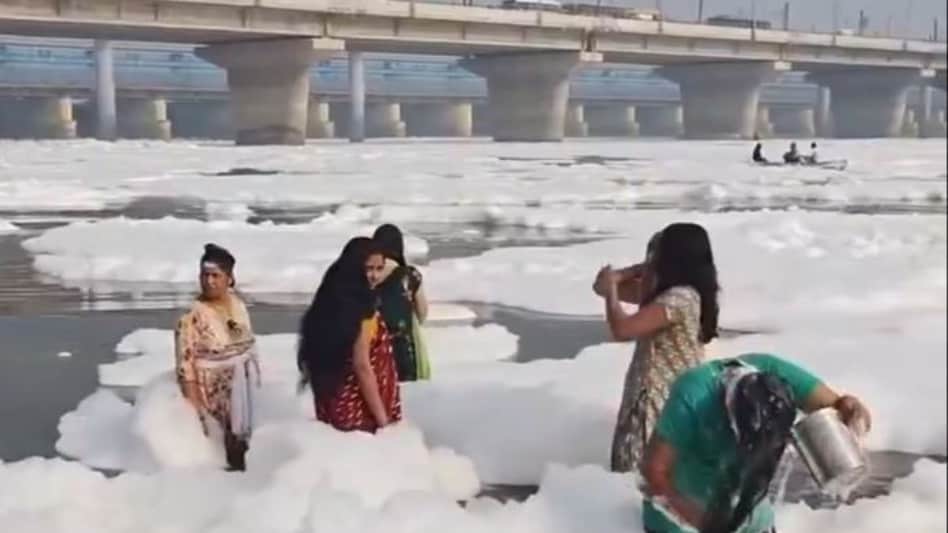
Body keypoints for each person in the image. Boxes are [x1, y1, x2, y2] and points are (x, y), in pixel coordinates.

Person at [640, 353, 872, 533]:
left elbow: (836, 405)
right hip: (682, 524)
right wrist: (694, 517)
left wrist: (851, 410)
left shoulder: (773, 373)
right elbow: (653, 471)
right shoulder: (694, 393)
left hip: (753, 522)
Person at [594, 223, 720, 472]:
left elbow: (622, 329)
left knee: (646, 470)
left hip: (662, 397)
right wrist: (631, 272)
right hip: (650, 394)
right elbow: (600, 286)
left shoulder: (681, 298)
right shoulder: (664, 294)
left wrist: (612, 292)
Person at [297, 237, 402, 433]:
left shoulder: (329, 299)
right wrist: (383, 420)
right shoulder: (360, 310)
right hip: (358, 407)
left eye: (379, 268)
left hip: (332, 398)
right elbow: (362, 366)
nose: (375, 275)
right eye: (369, 268)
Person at [175, 243, 260, 471]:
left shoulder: (239, 306)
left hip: (242, 388)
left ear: (229, 278)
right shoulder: (191, 315)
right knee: (224, 450)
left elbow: (248, 344)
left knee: (246, 447)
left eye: (216, 275)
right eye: (205, 275)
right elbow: (186, 367)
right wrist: (197, 412)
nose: (209, 281)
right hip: (212, 392)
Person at [372, 224, 430, 382]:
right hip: (403, 350)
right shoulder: (410, 275)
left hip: (373, 349)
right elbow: (422, 314)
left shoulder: (366, 274)